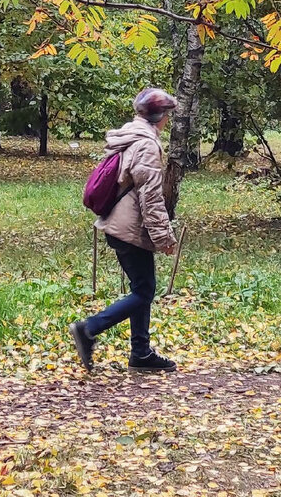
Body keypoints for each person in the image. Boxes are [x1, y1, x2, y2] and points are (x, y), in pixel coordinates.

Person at [71, 87, 179, 373]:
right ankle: (89, 329)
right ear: (159, 116)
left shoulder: (130, 136)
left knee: (142, 287)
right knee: (144, 291)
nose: (167, 120)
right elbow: (151, 197)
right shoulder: (146, 145)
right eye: (167, 115)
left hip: (118, 223)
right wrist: (164, 237)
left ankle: (141, 353)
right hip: (128, 227)